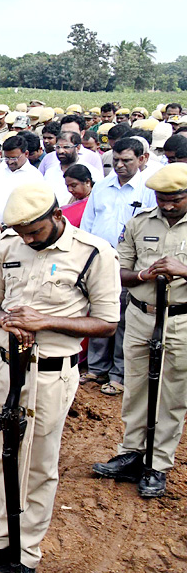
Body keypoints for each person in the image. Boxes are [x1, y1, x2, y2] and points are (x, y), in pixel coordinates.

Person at [0, 182, 120, 573]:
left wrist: (45, 322)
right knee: (0, 455)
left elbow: (105, 322)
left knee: (39, 465)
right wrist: (5, 318)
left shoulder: (93, 253)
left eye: (35, 230)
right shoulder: (9, 247)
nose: (28, 238)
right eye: (22, 231)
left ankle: (25, 557)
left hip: (51, 373)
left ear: (57, 215)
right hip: (4, 365)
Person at [91, 164, 187, 498]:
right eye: (163, 198)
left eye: (175, 199)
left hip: (180, 320)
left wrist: (183, 270)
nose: (168, 205)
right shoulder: (140, 222)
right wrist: (145, 275)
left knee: (172, 395)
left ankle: (157, 464)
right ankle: (132, 453)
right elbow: (119, 269)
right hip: (141, 314)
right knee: (135, 387)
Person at [79, 137, 157, 397]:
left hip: (130, 266)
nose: (120, 165)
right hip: (99, 262)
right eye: (117, 160)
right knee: (98, 315)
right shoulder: (102, 186)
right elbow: (88, 223)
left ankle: (119, 374)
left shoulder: (147, 189)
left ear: (142, 159)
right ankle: (96, 368)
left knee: (123, 321)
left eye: (127, 160)